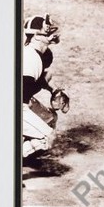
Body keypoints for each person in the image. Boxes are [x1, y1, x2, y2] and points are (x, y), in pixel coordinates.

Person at [22, 13, 61, 158]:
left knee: (49, 118)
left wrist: (54, 90)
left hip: (22, 99)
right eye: (48, 30)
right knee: (47, 137)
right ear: (37, 36)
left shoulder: (44, 55)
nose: (52, 33)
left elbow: (43, 77)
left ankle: (28, 144)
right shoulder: (29, 59)